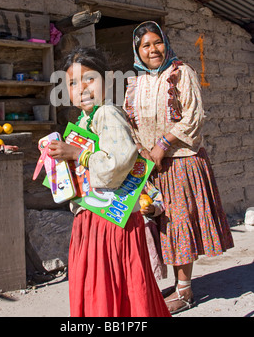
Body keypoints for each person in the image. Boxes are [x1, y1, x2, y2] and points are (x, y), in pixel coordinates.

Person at [48, 47, 171, 318]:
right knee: (108, 284)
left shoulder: (107, 114)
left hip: (111, 223)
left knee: (109, 283)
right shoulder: (84, 120)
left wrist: (77, 154)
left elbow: (118, 161)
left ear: (107, 80)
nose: (81, 88)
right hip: (95, 219)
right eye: (72, 82)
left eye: (89, 78)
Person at [123, 21, 234, 315]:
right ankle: (177, 283)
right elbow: (130, 124)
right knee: (164, 225)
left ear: (166, 43)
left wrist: (162, 143)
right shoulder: (135, 83)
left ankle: (185, 292)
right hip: (151, 167)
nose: (152, 50)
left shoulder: (181, 72)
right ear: (137, 51)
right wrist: (142, 149)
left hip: (182, 162)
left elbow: (193, 116)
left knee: (180, 224)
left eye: (157, 42)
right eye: (145, 45)